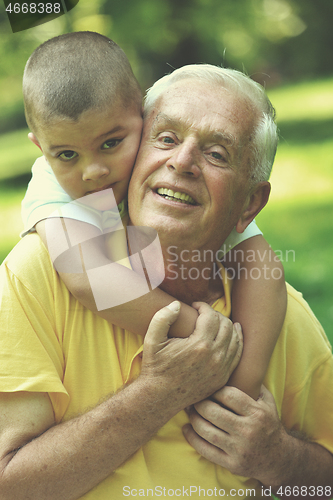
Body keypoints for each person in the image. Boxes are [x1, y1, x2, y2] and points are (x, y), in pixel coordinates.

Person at [0, 63, 332, 499]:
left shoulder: (280, 313)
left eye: (217, 154)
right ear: (135, 149)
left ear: (249, 203)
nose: (182, 161)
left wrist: (278, 458)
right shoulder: (38, 275)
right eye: (167, 138)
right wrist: (158, 393)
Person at [20, 31, 286, 401]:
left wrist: (242, 385)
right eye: (66, 155)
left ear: (141, 117)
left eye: (111, 144)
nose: (93, 171)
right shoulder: (53, 189)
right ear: (41, 148)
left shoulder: (168, 161)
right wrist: (199, 334)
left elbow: (262, 268)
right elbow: (89, 279)